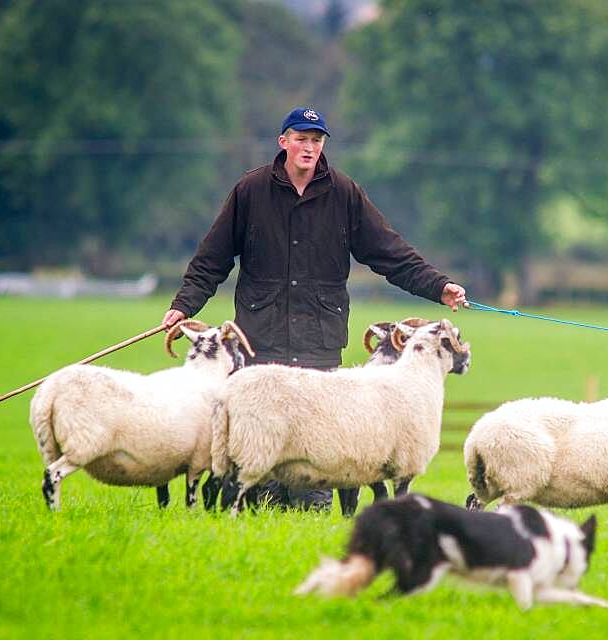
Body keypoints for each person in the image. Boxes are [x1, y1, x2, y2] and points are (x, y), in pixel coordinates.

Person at [162, 106, 467, 511]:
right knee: (261, 471)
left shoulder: (344, 193)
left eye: (317, 140)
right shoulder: (250, 192)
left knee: (318, 465)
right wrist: (183, 307)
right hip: (261, 346)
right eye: (301, 139)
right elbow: (211, 260)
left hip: (317, 347)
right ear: (283, 142)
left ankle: (311, 522)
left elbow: (391, 254)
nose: (309, 147)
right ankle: (252, 524)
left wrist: (439, 287)